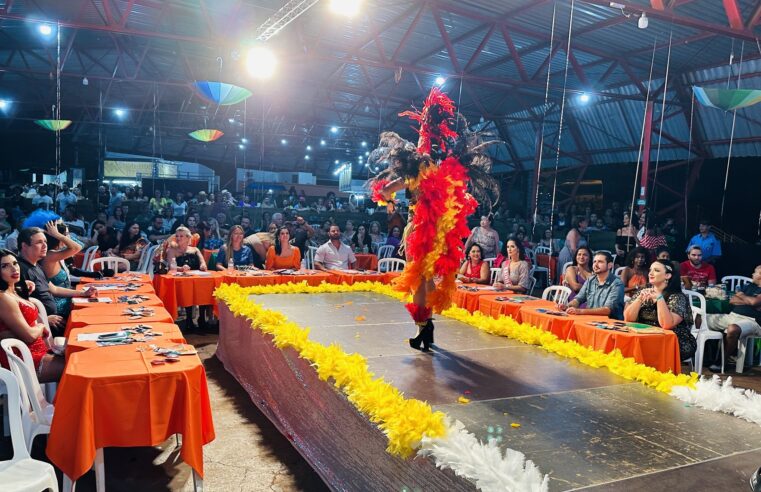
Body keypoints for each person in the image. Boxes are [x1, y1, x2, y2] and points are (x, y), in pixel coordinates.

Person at [367, 88, 497, 352]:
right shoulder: (446, 171)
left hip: (422, 229)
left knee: (419, 279)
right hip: (438, 230)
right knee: (423, 279)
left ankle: (423, 326)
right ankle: (424, 327)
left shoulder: (415, 172)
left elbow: (387, 188)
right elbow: (459, 198)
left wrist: (388, 196)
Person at [0, 249, 64, 382]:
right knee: (78, 367)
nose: (14, 269)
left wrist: (23, 289)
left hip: (38, 353)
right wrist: (41, 326)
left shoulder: (13, 291)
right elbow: (29, 336)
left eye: (15, 263)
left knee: (81, 357)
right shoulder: (3, 297)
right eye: (4, 266)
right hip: (25, 360)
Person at [18, 228, 96, 334]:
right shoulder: (20, 270)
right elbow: (17, 306)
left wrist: (83, 293)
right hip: (45, 326)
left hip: (54, 320)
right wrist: (43, 319)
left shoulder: (35, 265)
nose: (45, 246)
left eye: (45, 241)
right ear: (24, 246)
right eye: (39, 242)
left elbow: (53, 289)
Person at [624, 260, 696, 364]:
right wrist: (639, 299)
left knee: (642, 348)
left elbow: (667, 325)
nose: (650, 273)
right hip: (645, 336)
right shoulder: (643, 292)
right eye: (650, 270)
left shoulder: (678, 297)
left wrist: (659, 298)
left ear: (667, 276)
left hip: (673, 340)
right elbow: (628, 319)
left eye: (656, 270)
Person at [707, 265, 761, 371]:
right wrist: (749, 301)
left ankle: (721, 362)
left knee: (733, 329)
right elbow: (732, 300)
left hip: (751, 321)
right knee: (699, 319)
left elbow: (754, 302)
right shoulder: (749, 286)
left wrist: (742, 295)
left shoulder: (744, 290)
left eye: (755, 272)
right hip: (732, 316)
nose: (752, 274)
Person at [558, 251, 625, 319]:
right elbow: (578, 299)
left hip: (610, 324)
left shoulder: (617, 284)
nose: (595, 265)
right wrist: (567, 306)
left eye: (600, 262)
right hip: (590, 320)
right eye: (594, 261)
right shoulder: (590, 280)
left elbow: (607, 310)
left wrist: (580, 311)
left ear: (610, 265)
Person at [41, 221, 82, 319]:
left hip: (68, 299)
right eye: (67, 234)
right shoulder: (49, 256)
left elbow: (79, 245)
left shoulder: (55, 253)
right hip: (60, 307)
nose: (69, 237)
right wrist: (57, 234)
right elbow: (77, 247)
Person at [557, 217, 588, 283]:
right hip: (568, 254)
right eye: (585, 222)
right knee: (566, 273)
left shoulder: (580, 233)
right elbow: (573, 248)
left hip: (575, 254)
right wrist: (577, 260)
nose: (587, 224)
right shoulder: (573, 232)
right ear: (580, 223)